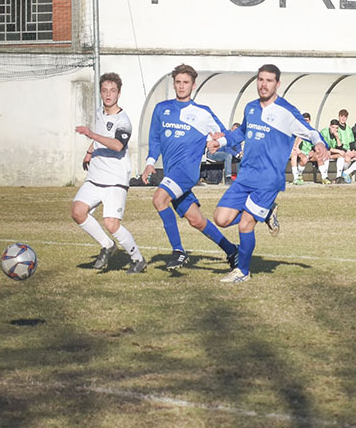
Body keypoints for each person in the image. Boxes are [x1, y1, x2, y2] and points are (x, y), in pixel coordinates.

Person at [207, 64, 329, 284]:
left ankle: (242, 271)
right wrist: (221, 141)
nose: (263, 84)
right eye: (260, 79)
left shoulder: (286, 111)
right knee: (221, 219)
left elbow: (310, 131)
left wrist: (320, 143)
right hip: (245, 176)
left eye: (269, 80)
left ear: (278, 84)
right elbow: (242, 133)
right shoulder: (251, 108)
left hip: (268, 180)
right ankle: (266, 212)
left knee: (245, 223)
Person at [141, 64, 240, 272]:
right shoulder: (162, 109)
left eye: (186, 82)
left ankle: (178, 251)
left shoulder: (202, 113)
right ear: (174, 84)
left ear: (193, 85)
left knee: (159, 199)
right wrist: (150, 163)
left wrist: (237, 151)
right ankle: (232, 251)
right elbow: (155, 138)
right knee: (196, 220)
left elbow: (224, 134)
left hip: (186, 171)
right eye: (178, 82)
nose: (181, 86)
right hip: (171, 172)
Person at [72, 72, 147, 274]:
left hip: (115, 180)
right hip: (95, 177)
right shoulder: (99, 113)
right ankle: (107, 245)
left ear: (119, 93)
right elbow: (98, 138)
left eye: (112, 91)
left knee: (111, 224)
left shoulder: (124, 121)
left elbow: (116, 145)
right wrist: (89, 152)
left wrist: (92, 134)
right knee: (78, 212)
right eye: (104, 90)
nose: (108, 94)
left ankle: (138, 259)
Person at [289, 113, 318, 185]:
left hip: (305, 153)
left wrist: (313, 150)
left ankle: (324, 177)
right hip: (293, 151)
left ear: (310, 121)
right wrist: (296, 147)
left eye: (306, 120)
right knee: (294, 154)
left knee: (306, 158)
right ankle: (295, 178)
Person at [317, 119, 348, 184]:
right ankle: (325, 177)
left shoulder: (338, 133)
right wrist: (338, 151)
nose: (334, 129)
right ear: (330, 126)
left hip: (332, 152)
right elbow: (325, 146)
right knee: (327, 153)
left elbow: (340, 147)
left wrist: (337, 138)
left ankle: (338, 177)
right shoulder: (324, 132)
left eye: (336, 128)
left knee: (342, 155)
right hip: (323, 151)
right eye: (333, 127)